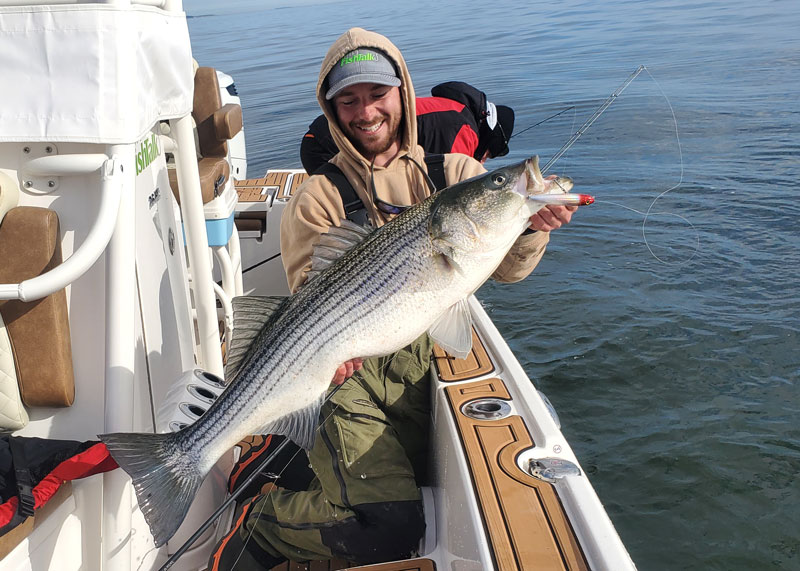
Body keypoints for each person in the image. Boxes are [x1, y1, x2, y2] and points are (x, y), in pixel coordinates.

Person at [209, 27, 576, 570]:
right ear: (332, 110)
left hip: (422, 366)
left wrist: (530, 226)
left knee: (425, 480)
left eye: (378, 94)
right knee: (390, 526)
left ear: (402, 92)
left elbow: (508, 271)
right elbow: (307, 309)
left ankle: (288, 459)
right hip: (349, 378)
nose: (366, 112)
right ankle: (261, 523)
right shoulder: (317, 197)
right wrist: (327, 362)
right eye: (349, 101)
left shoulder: (455, 173)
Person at [300, 81, 515, 174]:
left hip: (319, 137)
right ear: (489, 137)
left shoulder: (456, 110)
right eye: (488, 154)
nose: (483, 161)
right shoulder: (464, 130)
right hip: (327, 146)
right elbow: (451, 186)